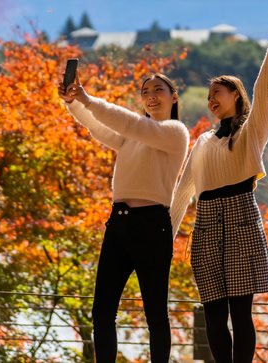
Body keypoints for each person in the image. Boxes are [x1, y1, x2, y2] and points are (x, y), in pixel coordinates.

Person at [170, 18, 268, 363]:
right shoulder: (203, 141)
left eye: (218, 93)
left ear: (235, 96)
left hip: (241, 214)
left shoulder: (251, 132)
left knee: (240, 313)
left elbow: (264, 91)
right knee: (212, 312)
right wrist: (164, 235)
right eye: (209, 94)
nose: (211, 99)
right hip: (207, 223)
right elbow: (183, 191)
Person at [60, 70, 189, 363]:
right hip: (118, 223)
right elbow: (97, 126)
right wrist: (73, 102)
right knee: (102, 311)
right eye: (145, 92)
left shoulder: (174, 132)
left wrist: (87, 98)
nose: (151, 96)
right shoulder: (132, 137)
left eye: (158, 90)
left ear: (174, 97)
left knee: (155, 312)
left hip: (152, 225)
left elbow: (130, 123)